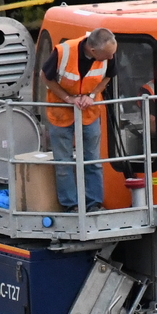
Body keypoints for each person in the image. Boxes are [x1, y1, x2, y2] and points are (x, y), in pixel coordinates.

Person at [42, 27, 117, 211]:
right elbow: (45, 77)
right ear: (93, 51)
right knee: (64, 163)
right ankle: (71, 205)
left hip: (89, 112)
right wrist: (68, 99)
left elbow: (108, 76)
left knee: (92, 161)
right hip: (61, 112)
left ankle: (93, 204)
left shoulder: (108, 54)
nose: (109, 58)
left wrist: (92, 95)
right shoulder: (63, 52)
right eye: (106, 55)